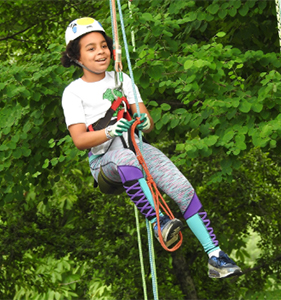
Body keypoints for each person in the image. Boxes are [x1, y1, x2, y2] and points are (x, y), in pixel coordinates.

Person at [61, 17, 242, 278]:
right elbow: (79, 140)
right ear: (76, 56)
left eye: (103, 46)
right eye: (91, 48)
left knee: (182, 188)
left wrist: (143, 121)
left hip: (137, 151)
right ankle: (160, 222)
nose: (101, 52)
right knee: (124, 157)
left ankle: (215, 256)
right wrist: (110, 131)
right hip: (105, 162)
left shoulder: (122, 79)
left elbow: (147, 124)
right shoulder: (74, 92)